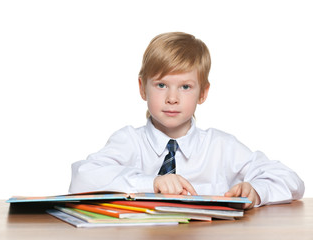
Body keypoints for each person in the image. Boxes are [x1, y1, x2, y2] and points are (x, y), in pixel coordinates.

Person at [69, 32, 304, 209]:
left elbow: (292, 181)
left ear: (203, 93)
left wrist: (256, 191)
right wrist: (151, 183)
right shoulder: (129, 141)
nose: (172, 98)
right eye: (161, 85)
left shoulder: (221, 146)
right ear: (143, 88)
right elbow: (82, 179)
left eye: (185, 87)